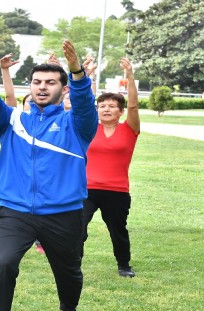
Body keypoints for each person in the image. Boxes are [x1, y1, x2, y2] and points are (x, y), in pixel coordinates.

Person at [0, 37, 97, 311]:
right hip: (14, 212)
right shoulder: (11, 121)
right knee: (2, 264)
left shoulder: (77, 125)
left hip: (64, 213)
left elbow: (85, 104)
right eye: (37, 82)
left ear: (63, 88)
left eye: (51, 82)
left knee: (69, 271)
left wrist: (77, 71)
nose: (42, 87)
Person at [0, 55, 43, 263]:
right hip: (11, 182)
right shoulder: (14, 125)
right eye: (28, 103)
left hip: (37, 181)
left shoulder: (47, 127)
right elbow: (9, 96)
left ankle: (41, 241)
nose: (32, 105)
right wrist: (5, 71)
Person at [82, 57, 140, 277]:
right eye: (102, 106)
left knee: (118, 231)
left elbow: (134, 104)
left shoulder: (130, 129)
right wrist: (86, 76)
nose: (106, 109)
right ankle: (72, 263)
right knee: (77, 229)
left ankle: (124, 265)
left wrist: (130, 75)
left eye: (112, 106)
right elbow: (84, 103)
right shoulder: (88, 129)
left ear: (121, 111)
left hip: (116, 191)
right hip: (86, 189)